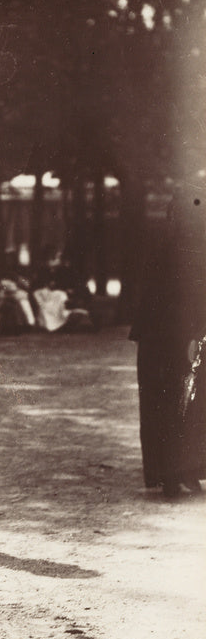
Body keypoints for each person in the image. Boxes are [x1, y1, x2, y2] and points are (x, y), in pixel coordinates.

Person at [129, 187, 206, 498]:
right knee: (184, 404)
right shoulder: (187, 247)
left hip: (162, 339)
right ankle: (179, 473)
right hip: (173, 338)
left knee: (169, 405)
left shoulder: (165, 243)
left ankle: (178, 473)